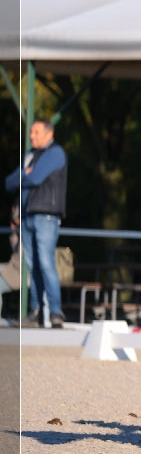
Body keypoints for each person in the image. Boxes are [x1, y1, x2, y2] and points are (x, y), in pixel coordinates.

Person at [5, 119, 68, 328]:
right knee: (33, 267)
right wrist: (26, 174)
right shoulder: (31, 156)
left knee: (46, 264)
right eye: (31, 132)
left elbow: (35, 179)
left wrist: (25, 176)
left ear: (49, 134)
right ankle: (36, 312)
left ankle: (55, 312)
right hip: (27, 218)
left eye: (36, 132)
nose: (31, 135)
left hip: (46, 217)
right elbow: (8, 182)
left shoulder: (55, 153)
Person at [0, 207, 21, 316]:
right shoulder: (22, 234)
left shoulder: (28, 233)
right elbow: (16, 251)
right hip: (14, 267)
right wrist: (14, 233)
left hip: (22, 274)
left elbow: (20, 261)